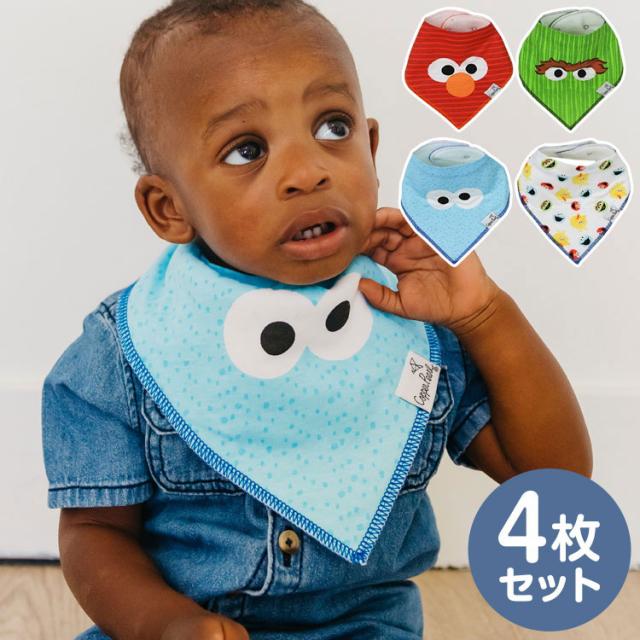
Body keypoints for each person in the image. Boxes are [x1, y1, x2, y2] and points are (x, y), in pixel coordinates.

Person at [41, 1, 592, 638]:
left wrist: (485, 314)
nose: (307, 172)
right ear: (170, 208)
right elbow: (95, 530)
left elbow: (554, 480)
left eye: (333, 127)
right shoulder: (130, 346)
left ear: (372, 148)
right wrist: (164, 624)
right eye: (247, 150)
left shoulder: (418, 326)